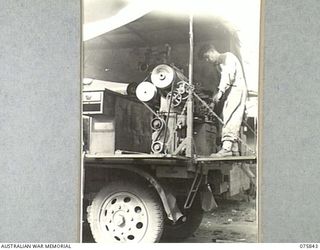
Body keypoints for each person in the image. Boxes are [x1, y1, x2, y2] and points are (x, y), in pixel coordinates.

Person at [198, 44, 248, 157]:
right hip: (232, 90)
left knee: (230, 116)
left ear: (212, 51)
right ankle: (234, 149)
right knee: (228, 115)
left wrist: (220, 92)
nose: (207, 60)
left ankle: (226, 149)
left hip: (236, 89)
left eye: (207, 57)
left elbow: (228, 76)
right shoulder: (219, 65)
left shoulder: (227, 57)